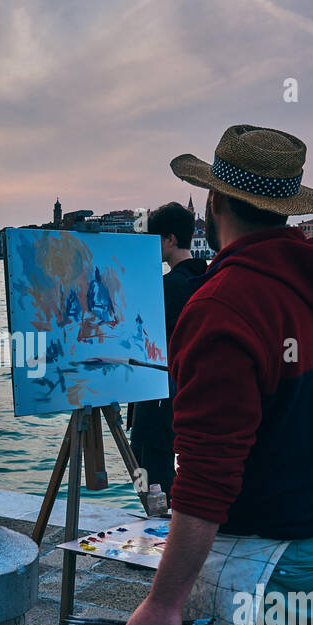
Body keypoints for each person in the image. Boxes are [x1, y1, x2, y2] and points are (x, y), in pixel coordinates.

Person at [121, 124, 313, 625]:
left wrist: (164, 603)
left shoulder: (224, 303)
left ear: (211, 206)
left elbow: (205, 477)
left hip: (272, 558)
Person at [128, 201, 210, 495]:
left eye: (155, 239)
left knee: (145, 468)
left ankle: (162, 529)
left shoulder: (168, 285)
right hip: (193, 392)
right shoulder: (207, 279)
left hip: (158, 393)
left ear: (170, 239)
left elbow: (138, 336)